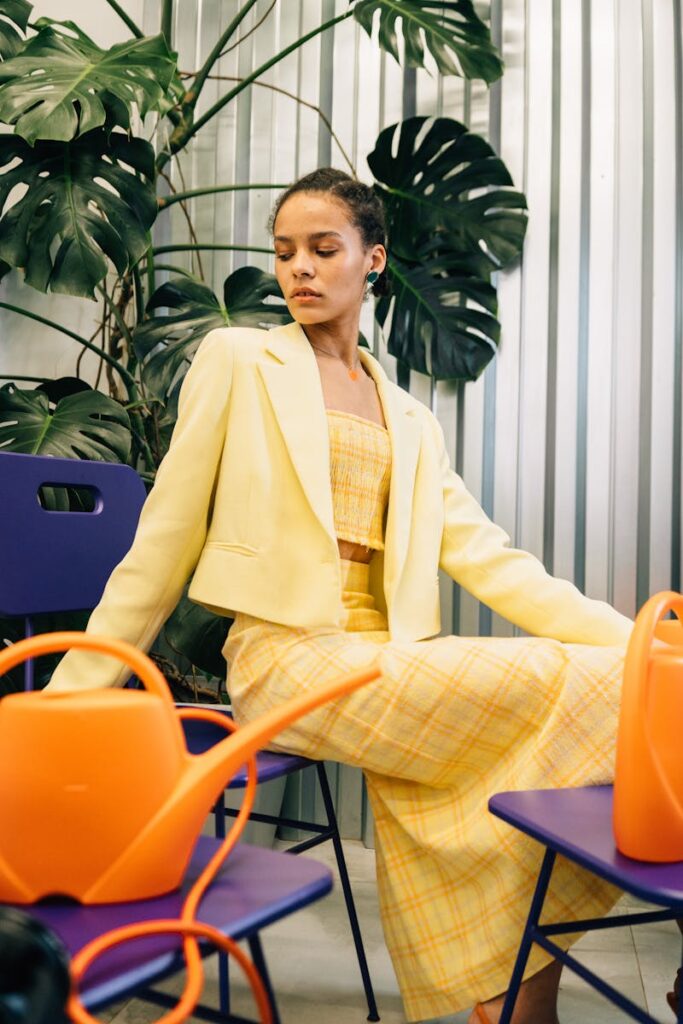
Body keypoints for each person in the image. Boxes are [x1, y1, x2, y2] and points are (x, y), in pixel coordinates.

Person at [48, 168, 635, 1024]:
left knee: (604, 690)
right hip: (285, 658)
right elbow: (163, 540)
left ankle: (510, 998)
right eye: (285, 251)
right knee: (572, 687)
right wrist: (69, 697)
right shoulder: (239, 361)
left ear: (374, 260)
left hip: (386, 657)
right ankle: (503, 991)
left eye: (324, 249)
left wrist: (639, 641)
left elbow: (492, 561)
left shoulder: (410, 419)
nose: (300, 268)